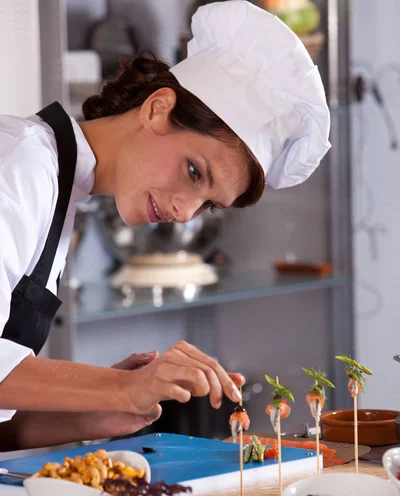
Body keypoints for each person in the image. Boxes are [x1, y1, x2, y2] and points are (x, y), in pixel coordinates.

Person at [0, 0, 330, 451]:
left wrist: (97, 414)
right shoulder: (18, 163)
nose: (184, 212)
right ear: (157, 108)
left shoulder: (60, 189)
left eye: (207, 204)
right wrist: (122, 386)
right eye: (195, 172)